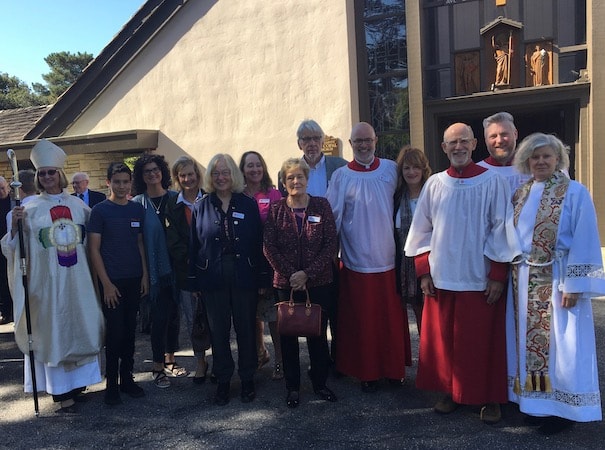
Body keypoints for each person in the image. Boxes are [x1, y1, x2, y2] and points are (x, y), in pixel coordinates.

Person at [404, 123, 520, 424]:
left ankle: (490, 396)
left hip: (479, 277)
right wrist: (424, 272)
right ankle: (450, 391)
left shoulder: (492, 181)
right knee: (446, 342)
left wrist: (497, 274)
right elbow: (422, 229)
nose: (458, 147)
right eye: (452, 143)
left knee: (483, 343)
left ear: (473, 145)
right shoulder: (435, 184)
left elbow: (501, 229)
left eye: (463, 142)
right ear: (444, 148)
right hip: (442, 277)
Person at [506, 133, 605, 435]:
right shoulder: (521, 193)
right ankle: (535, 406)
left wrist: (575, 284)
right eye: (535, 157)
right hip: (523, 281)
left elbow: (585, 235)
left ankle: (563, 411)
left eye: (547, 156)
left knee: (563, 346)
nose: (540, 161)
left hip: (558, 279)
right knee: (528, 345)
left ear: (558, 159)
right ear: (526, 160)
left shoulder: (574, 192)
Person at [1, 139, 104, 413]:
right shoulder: (28, 209)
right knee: (55, 330)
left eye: (52, 172)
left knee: (80, 324)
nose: (47, 177)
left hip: (78, 281)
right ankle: (60, 392)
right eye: (42, 173)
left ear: (61, 174)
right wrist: (14, 227)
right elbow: (13, 249)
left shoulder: (82, 208)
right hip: (47, 285)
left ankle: (79, 386)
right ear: (37, 177)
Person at [326, 122, 411, 393]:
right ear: (351, 145)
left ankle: (394, 370)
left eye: (368, 140)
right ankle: (368, 372)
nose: (364, 145)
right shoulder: (341, 176)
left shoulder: (390, 169)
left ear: (376, 141)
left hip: (388, 259)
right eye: (358, 141)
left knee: (390, 321)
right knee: (364, 323)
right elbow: (333, 218)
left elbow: (406, 200)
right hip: (356, 261)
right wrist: (329, 255)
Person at [264, 158, 339, 408]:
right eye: (290, 178)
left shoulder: (321, 205)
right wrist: (292, 276)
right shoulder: (276, 210)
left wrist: (307, 273)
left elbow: (330, 244)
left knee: (317, 335)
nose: (296, 182)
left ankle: (319, 383)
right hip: (285, 285)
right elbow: (269, 247)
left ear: (307, 179)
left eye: (300, 177)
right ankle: (292, 387)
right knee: (288, 337)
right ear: (284, 183)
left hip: (319, 282)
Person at [188, 154, 263, 406]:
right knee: (219, 333)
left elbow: (257, 243)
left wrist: (263, 278)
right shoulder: (201, 206)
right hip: (212, 278)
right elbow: (194, 246)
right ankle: (222, 380)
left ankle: (248, 378)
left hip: (244, 275)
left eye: (226, 172)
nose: (221, 177)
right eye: (216, 173)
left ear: (234, 175)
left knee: (246, 331)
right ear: (210, 176)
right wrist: (195, 283)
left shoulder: (247, 204)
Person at [286, 119, 347, 370]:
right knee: (315, 312)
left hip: (340, 250)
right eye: (306, 139)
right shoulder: (293, 169)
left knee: (338, 312)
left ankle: (340, 361)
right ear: (299, 143)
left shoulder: (340, 166)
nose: (311, 143)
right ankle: (319, 363)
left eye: (315, 138)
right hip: (309, 255)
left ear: (323, 141)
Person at [88, 163, 148, 405]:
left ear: (130, 183)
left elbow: (140, 244)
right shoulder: (100, 211)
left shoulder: (136, 209)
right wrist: (106, 284)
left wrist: (145, 275)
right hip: (111, 282)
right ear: (108, 182)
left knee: (130, 333)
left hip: (134, 279)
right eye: (117, 182)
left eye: (126, 181)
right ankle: (111, 384)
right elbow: (93, 249)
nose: (122, 186)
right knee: (114, 334)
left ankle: (127, 378)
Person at [132, 154, 187, 389]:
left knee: (175, 316)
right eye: (147, 172)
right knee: (158, 318)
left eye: (156, 170)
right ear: (141, 176)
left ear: (163, 172)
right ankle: (157, 366)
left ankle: (171, 360)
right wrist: (145, 274)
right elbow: (137, 242)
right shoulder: (137, 204)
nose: (152, 174)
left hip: (178, 268)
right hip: (154, 272)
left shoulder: (176, 199)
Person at [165, 155, 211, 384]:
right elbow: (174, 243)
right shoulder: (172, 206)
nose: (187, 179)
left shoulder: (210, 200)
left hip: (213, 271)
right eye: (182, 175)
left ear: (197, 174)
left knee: (216, 318)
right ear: (177, 178)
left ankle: (221, 359)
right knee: (194, 320)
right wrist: (194, 270)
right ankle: (201, 361)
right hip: (186, 274)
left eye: (190, 174)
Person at [239, 151, 284, 380]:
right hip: (244, 265)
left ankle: (280, 359)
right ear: (242, 169)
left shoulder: (274, 194)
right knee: (252, 315)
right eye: (250, 166)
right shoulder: (238, 195)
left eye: (258, 165)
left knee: (274, 316)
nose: (254, 169)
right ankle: (260, 353)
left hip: (269, 263)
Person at [393, 146, 432, 335]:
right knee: (419, 316)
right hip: (406, 266)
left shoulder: (433, 193)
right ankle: (426, 358)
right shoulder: (397, 197)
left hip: (432, 263)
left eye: (416, 167)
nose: (411, 172)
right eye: (407, 168)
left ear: (423, 169)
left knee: (434, 315)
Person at [478, 112, 531, 192]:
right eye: (493, 136)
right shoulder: (478, 172)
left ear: (515, 134)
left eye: (504, 134)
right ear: (486, 140)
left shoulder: (531, 168)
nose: (499, 141)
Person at [0, 176, 15, 324]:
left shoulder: (14, 202)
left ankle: (16, 312)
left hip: (12, 245)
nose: (3, 191)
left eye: (4, 187)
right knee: (2, 281)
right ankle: (5, 313)